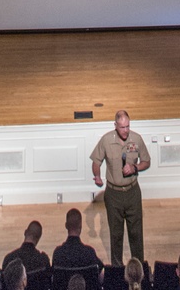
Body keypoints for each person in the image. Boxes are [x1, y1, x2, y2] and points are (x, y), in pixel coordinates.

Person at [91, 110, 151, 268]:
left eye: (128, 126)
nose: (126, 130)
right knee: (116, 235)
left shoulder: (136, 139)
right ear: (115, 125)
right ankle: (117, 270)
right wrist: (97, 176)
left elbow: (147, 161)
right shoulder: (106, 140)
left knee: (136, 234)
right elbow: (96, 161)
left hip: (132, 192)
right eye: (122, 127)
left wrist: (135, 167)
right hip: (113, 195)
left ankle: (137, 270)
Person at [52, 210, 103, 274]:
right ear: (81, 226)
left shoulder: (58, 254)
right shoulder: (89, 253)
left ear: (66, 226)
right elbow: (102, 271)